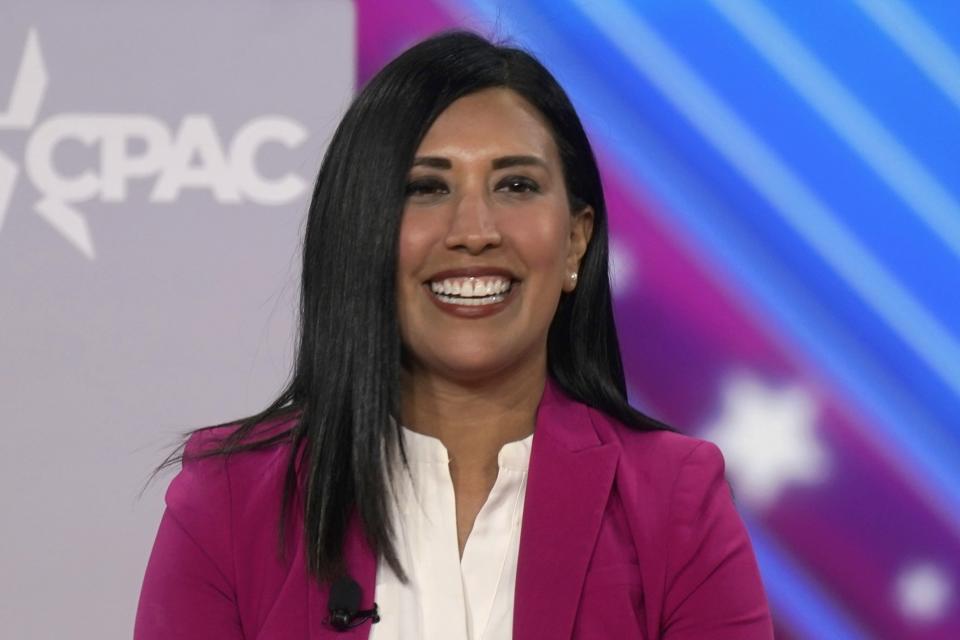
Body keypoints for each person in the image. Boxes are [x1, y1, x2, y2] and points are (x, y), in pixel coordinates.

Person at [134, 30, 774, 639]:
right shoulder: (230, 501)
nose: (474, 230)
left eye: (516, 185)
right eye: (427, 188)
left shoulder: (675, 504)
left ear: (576, 239)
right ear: (365, 233)